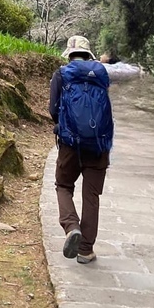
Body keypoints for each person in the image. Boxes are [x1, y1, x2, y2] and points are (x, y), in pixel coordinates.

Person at [49, 35, 114, 265]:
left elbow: (53, 110)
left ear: (70, 54)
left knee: (64, 186)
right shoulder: (101, 75)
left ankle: (71, 226)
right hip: (98, 146)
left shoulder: (61, 74)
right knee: (91, 196)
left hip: (70, 145)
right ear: (89, 55)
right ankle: (86, 250)